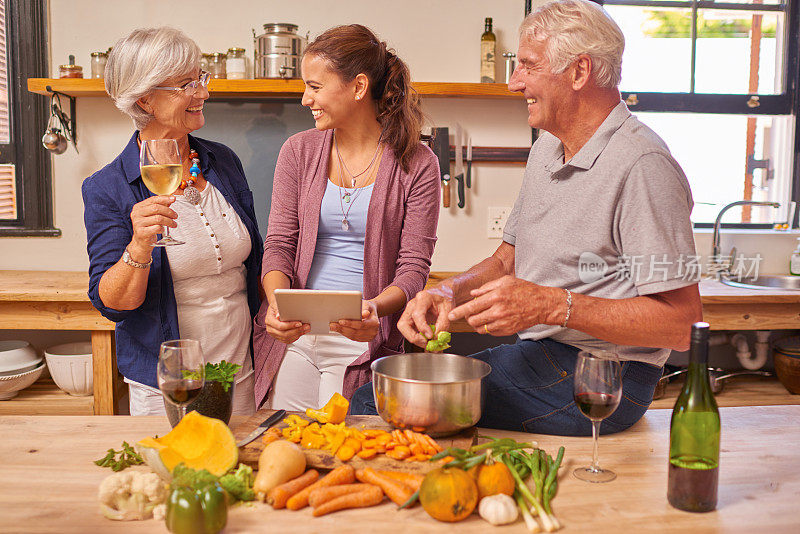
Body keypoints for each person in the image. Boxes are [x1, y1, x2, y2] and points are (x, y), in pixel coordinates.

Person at [350, 0, 703, 436]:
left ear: (579, 71)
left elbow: (682, 324)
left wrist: (552, 304)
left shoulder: (643, 164)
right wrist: (447, 292)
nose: (514, 83)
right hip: (543, 355)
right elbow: (507, 260)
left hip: (609, 376)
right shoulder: (546, 149)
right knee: (388, 395)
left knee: (376, 401)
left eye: (527, 67)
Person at [253, 24, 441, 411]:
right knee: (286, 441)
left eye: (315, 87)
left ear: (357, 87)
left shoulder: (418, 163)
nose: (306, 99)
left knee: (343, 448)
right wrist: (276, 305)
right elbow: (278, 246)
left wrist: (372, 307)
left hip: (362, 336)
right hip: (297, 334)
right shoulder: (298, 151)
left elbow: (413, 270)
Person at [82, 27, 263, 416]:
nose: (203, 93)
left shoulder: (223, 161)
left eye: (201, 79)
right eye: (186, 84)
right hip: (170, 383)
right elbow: (113, 304)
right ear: (145, 98)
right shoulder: (108, 187)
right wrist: (139, 247)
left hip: (239, 370)